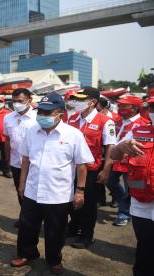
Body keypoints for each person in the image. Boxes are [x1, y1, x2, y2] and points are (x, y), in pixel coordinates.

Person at [10, 93, 94, 275]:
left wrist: (80, 191)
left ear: (60, 113)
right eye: (41, 110)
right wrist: (22, 183)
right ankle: (26, 254)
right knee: (27, 226)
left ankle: (54, 259)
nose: (43, 115)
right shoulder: (32, 131)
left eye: (48, 112)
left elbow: (81, 165)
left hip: (58, 194)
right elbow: (25, 159)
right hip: (32, 190)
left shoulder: (73, 135)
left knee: (55, 230)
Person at [66, 87, 116, 249]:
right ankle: (74, 227)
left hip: (91, 170)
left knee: (87, 205)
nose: (76, 102)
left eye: (80, 100)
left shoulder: (105, 121)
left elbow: (110, 147)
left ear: (92, 102)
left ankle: (87, 235)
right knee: (71, 201)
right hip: (70, 168)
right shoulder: (72, 118)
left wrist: (106, 169)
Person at [111, 93, 154, 276]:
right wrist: (120, 148)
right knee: (144, 249)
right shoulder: (138, 132)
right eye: (152, 108)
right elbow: (114, 154)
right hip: (141, 203)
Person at [108, 95, 148, 226]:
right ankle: (125, 206)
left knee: (132, 188)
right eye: (119, 105)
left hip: (132, 163)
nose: (120, 108)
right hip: (116, 160)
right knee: (110, 182)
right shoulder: (118, 121)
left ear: (135, 108)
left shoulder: (142, 123)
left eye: (124, 106)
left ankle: (124, 213)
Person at [3, 88, 37, 227]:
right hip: (16, 162)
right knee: (20, 190)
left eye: (20, 101)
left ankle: (35, 218)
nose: (16, 104)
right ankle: (25, 216)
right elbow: (7, 139)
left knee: (34, 192)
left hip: (34, 163)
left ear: (29, 99)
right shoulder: (8, 117)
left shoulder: (37, 118)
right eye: (14, 101)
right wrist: (7, 159)